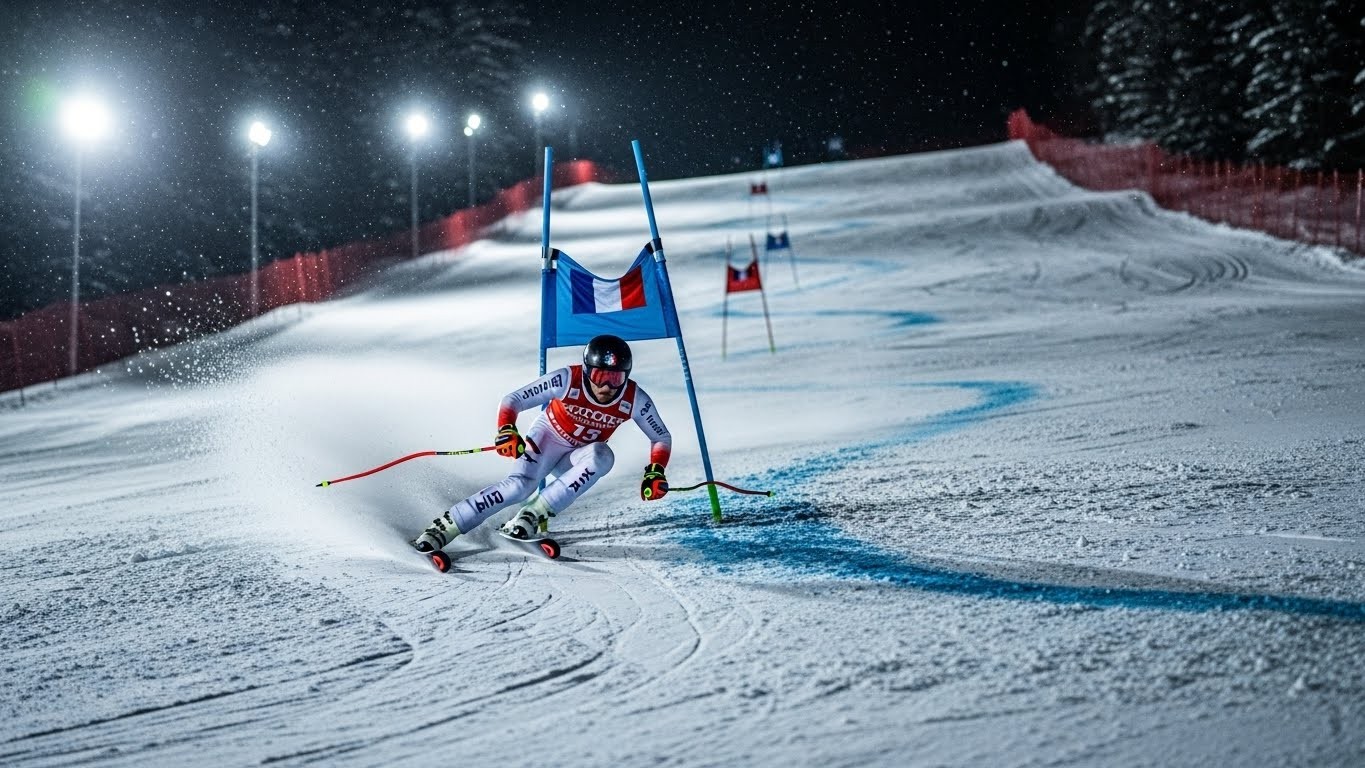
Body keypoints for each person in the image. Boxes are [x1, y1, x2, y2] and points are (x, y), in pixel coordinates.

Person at [414, 334, 672, 552]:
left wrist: (656, 472)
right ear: (586, 370)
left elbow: (660, 437)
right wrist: (507, 430)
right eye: (599, 375)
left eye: (615, 379)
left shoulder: (635, 399)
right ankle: (444, 527)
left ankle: (532, 515)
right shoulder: (566, 379)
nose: (606, 386)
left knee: (603, 456)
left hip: (575, 457)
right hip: (548, 438)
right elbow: (512, 400)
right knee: (518, 488)